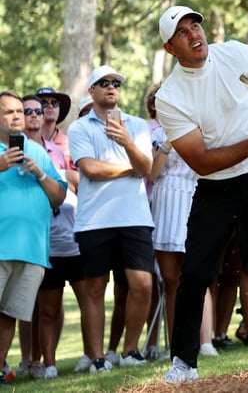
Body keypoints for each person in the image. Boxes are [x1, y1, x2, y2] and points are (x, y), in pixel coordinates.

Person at [154, 5, 248, 383]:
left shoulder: (236, 53)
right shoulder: (170, 96)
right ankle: (183, 362)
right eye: (182, 32)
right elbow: (203, 162)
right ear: (170, 48)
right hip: (216, 184)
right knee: (195, 270)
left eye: (195, 24)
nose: (194, 34)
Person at [68, 65, 155, 373]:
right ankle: (96, 359)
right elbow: (90, 169)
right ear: (91, 92)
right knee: (94, 288)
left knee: (142, 284)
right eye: (103, 83)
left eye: (115, 82)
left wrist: (127, 143)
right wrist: (127, 169)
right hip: (94, 220)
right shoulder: (80, 128)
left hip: (134, 217)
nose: (111, 87)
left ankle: (130, 350)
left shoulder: (137, 125)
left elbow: (147, 167)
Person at [0, 91, 67, 386]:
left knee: (9, 315)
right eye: (9, 112)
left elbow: (59, 196)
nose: (17, 116)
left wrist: (41, 173)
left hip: (32, 251)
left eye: (20, 111)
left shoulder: (38, 151)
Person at [21, 94, 89, 380]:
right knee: (35, 307)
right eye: (31, 110)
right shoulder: (14, 149)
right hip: (35, 239)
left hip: (68, 238)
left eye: (43, 108)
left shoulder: (58, 150)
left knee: (83, 301)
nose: (39, 114)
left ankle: (89, 357)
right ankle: (35, 361)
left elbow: (67, 186)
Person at [146, 85, 218, 357]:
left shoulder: (201, 130)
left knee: (198, 273)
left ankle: (206, 341)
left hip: (192, 197)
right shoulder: (157, 134)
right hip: (165, 202)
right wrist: (166, 144)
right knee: (171, 279)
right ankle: (178, 344)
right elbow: (153, 173)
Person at [34, 87, 73, 168]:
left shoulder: (70, 144)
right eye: (43, 103)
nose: (50, 106)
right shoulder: (26, 142)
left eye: (54, 103)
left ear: (59, 110)